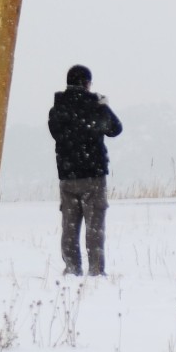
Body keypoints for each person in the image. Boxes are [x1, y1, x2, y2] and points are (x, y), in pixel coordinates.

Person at [47, 65, 122, 277]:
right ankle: (96, 271)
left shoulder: (57, 109)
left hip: (67, 176)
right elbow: (115, 129)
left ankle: (72, 268)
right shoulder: (95, 107)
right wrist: (103, 106)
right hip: (93, 174)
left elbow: (56, 133)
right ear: (87, 83)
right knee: (94, 226)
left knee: (69, 227)